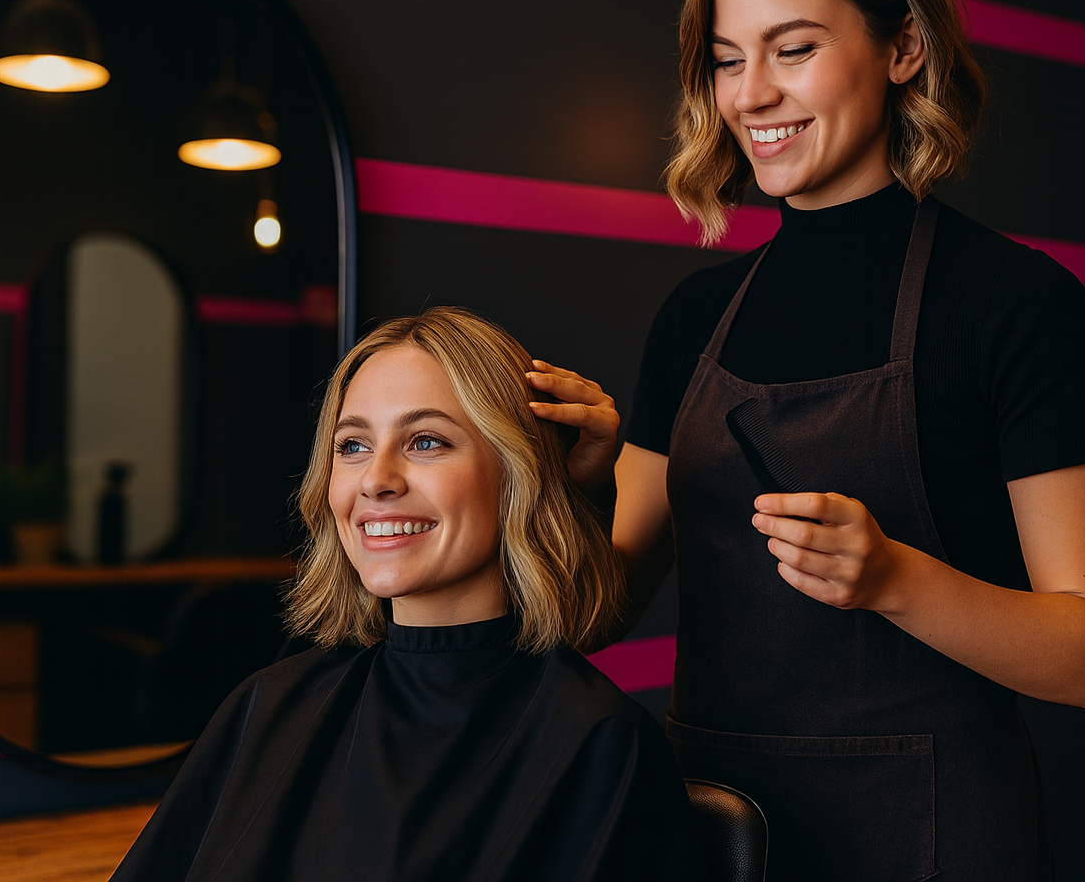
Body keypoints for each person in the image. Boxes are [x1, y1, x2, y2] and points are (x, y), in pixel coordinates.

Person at [529, 0, 1085, 882]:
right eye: (727, 60)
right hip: (715, 828)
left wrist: (896, 580)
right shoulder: (692, 321)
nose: (751, 94)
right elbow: (592, 618)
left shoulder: (1019, 306)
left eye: (794, 48)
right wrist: (585, 483)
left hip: (934, 834)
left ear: (904, 48)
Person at [110, 307, 706, 882]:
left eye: (426, 441)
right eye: (352, 446)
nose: (376, 479)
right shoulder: (267, 706)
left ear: (517, 474)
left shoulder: (599, 745)